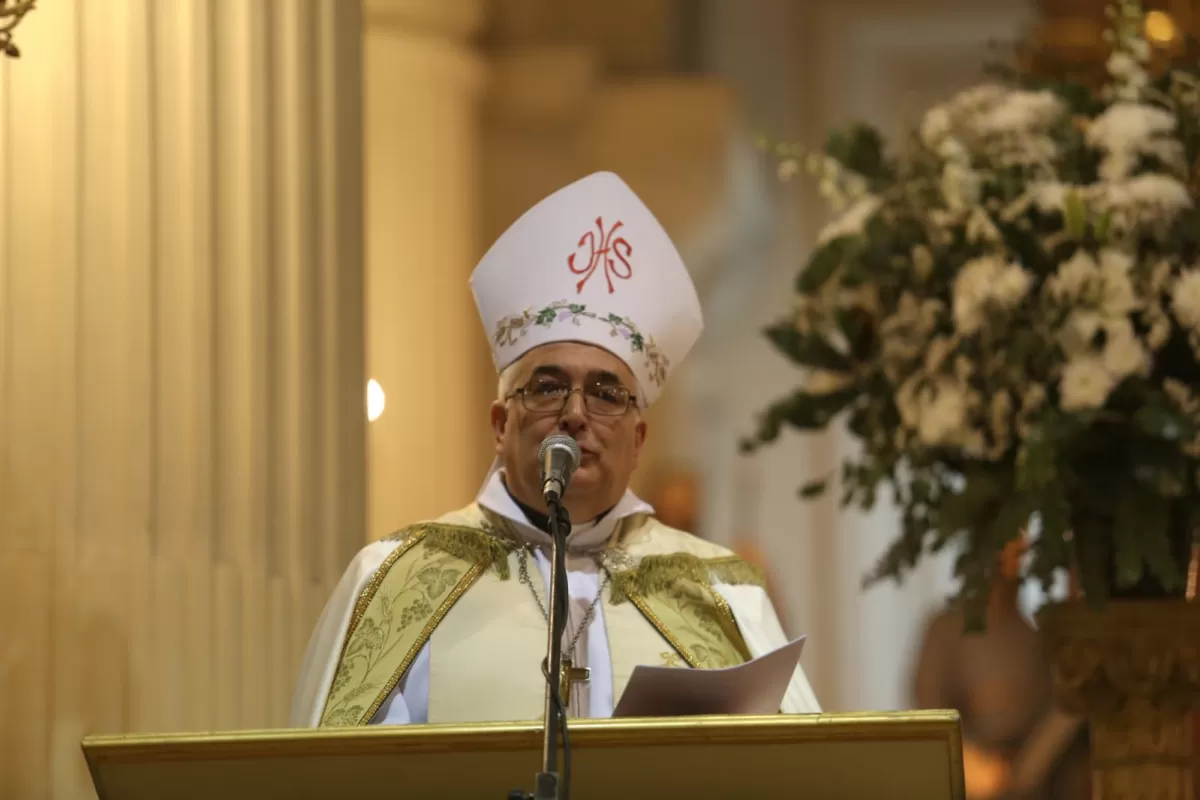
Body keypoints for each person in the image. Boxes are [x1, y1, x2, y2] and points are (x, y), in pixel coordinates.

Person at [289, 172, 821, 727]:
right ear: (500, 424)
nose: (574, 413)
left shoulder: (721, 593)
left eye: (605, 393)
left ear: (638, 441)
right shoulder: (395, 581)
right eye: (546, 387)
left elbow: (796, 770)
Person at [911, 536, 1089, 799]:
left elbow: (1059, 716)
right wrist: (971, 765)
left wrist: (1019, 773)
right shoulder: (946, 629)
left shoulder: (1036, 639)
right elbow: (928, 714)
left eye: (1019, 547)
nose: (1011, 558)